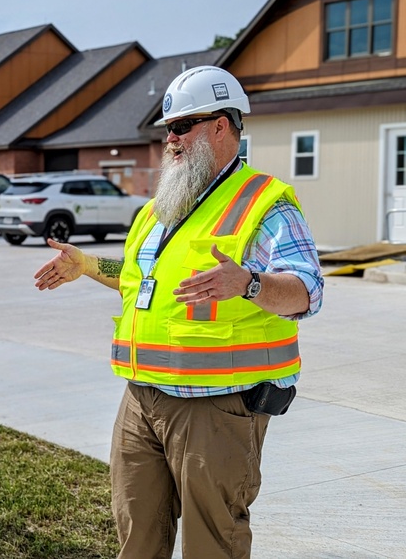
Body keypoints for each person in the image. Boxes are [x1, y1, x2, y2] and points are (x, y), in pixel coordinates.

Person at [34, 66, 323, 559]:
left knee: (213, 542)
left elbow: (307, 291)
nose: (170, 138)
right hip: (141, 398)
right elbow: (138, 275)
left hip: (216, 405)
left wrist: (248, 284)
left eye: (182, 126)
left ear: (221, 127)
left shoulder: (265, 203)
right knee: (137, 533)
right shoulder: (158, 209)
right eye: (168, 128)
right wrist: (85, 264)